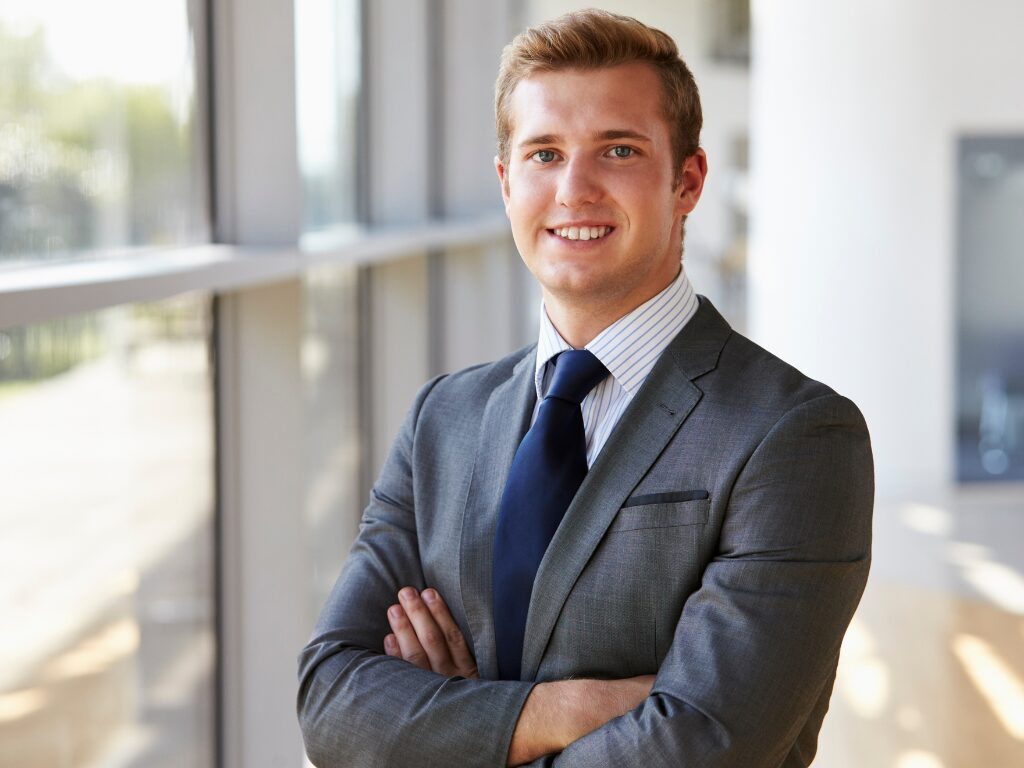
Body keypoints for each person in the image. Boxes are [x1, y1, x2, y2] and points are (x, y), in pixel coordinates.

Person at [297, 9, 873, 767]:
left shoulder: (795, 435)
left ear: (687, 182)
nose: (575, 189)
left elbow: (698, 747)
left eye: (619, 149)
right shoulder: (441, 420)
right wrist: (557, 710)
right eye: (544, 154)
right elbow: (332, 701)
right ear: (507, 184)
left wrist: (449, 730)